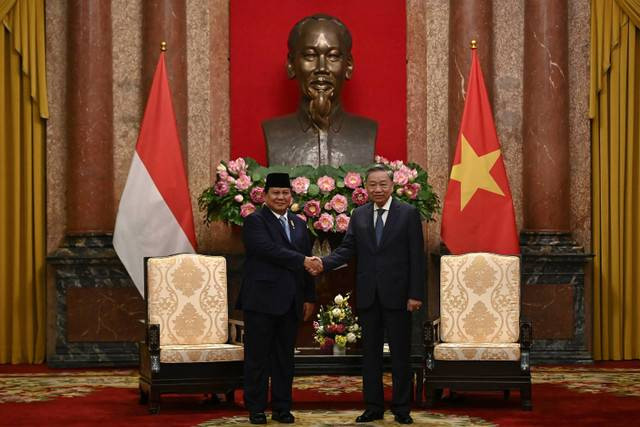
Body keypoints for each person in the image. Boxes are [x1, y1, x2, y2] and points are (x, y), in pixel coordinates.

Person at [306, 165, 425, 424]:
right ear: (365, 187)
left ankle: (402, 408)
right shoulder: (358, 215)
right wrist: (323, 263)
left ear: (392, 186)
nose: (378, 189)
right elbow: (347, 249)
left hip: (400, 296)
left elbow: (417, 257)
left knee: (400, 354)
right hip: (368, 295)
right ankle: (373, 407)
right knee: (369, 355)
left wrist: (415, 294)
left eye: (383, 184)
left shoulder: (408, 214)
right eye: (373, 184)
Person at [238, 172, 318, 424]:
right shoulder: (255, 221)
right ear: (265, 196)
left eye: (285, 193)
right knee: (258, 357)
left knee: (285, 358)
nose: (281, 197)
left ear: (291, 196)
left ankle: (282, 407)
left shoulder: (299, 223)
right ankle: (256, 408)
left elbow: (306, 264)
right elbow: (267, 250)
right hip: (261, 300)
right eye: (276, 193)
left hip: (291, 300)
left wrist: (309, 297)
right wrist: (302, 260)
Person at [263, 14, 377, 167]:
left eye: (333, 56)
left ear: (348, 66)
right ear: (291, 64)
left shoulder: (366, 131)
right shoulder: (274, 132)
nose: (321, 68)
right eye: (310, 55)